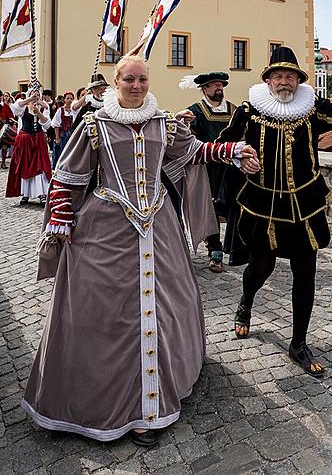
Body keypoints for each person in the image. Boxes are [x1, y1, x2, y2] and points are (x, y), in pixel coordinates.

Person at [22, 56, 257, 447]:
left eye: (142, 79)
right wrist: (61, 216)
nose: (136, 85)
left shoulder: (163, 123)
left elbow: (196, 150)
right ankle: (106, 403)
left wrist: (233, 150)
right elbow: (67, 176)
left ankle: (157, 396)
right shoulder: (94, 125)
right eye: (129, 79)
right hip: (106, 227)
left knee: (168, 303)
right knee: (105, 312)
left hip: (158, 223)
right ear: (116, 82)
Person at [217, 46, 332, 377]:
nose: (285, 82)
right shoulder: (251, 110)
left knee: (305, 272)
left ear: (298, 80)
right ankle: (246, 302)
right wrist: (239, 155)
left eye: (290, 76)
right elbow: (226, 142)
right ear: (268, 81)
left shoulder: (310, 109)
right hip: (264, 207)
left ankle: (298, 343)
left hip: (305, 207)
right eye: (278, 76)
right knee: (260, 268)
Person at [181, 72, 236, 272]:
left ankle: (236, 247)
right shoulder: (195, 112)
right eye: (213, 85)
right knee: (209, 209)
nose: (218, 88)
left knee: (235, 207)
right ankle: (215, 251)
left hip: (231, 169)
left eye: (220, 84)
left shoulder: (234, 110)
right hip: (207, 169)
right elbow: (187, 141)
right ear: (204, 89)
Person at [6, 91, 51, 206]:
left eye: (37, 95)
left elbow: (46, 124)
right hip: (25, 140)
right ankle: (25, 193)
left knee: (40, 166)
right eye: (33, 94)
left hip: (38, 140)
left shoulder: (44, 107)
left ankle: (42, 194)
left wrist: (38, 112)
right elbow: (15, 108)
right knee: (25, 166)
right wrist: (30, 99)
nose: (36, 97)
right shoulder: (23, 107)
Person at [51, 91, 78, 168]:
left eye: (71, 98)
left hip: (71, 134)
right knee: (61, 152)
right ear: (64, 100)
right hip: (63, 134)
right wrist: (57, 138)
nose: (69, 100)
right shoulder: (60, 110)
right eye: (68, 98)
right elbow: (56, 125)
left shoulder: (74, 111)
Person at [0, 90, 15, 169]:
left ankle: (3, 163)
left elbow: (10, 116)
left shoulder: (6, 106)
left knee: (4, 146)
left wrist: (10, 121)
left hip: (3, 128)